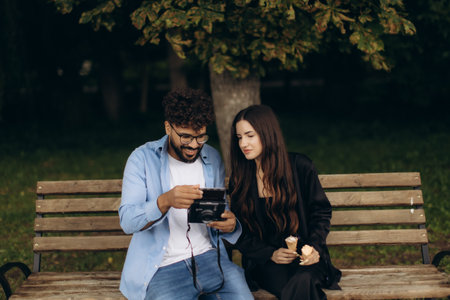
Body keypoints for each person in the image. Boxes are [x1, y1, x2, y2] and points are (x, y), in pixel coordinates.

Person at [119, 88, 253, 300]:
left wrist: (230, 224)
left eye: (200, 137)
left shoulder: (212, 157)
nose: (194, 145)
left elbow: (219, 211)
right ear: (167, 127)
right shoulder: (142, 159)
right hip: (162, 267)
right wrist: (165, 201)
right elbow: (127, 222)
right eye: (186, 137)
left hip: (210, 259)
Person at [229, 105, 341, 300]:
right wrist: (269, 254)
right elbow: (239, 230)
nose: (243, 143)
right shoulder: (241, 178)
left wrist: (313, 248)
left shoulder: (300, 166)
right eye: (239, 137)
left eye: (250, 135)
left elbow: (320, 212)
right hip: (267, 262)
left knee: (303, 279)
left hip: (307, 258)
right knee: (294, 283)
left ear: (267, 134)